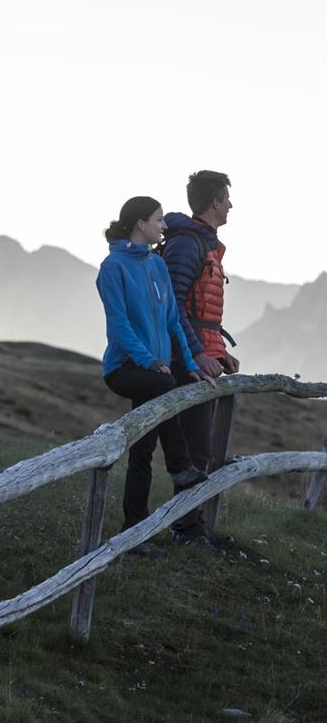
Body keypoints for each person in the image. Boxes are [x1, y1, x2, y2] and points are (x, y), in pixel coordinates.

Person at [96, 196, 216, 558]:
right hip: (125, 369)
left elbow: (173, 321)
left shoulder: (156, 265)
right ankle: (180, 467)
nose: (164, 226)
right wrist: (149, 361)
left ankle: (132, 535)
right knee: (165, 387)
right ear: (140, 224)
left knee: (143, 452)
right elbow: (118, 325)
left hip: (157, 368)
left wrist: (192, 364)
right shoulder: (112, 267)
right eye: (159, 220)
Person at [162, 170, 240, 555]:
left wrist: (219, 350)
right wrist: (195, 353)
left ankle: (196, 528)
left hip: (203, 355)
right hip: (186, 360)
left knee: (201, 449)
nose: (231, 205)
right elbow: (174, 305)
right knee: (195, 450)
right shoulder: (187, 245)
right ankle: (187, 531)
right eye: (227, 198)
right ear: (214, 202)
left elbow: (200, 308)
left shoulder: (205, 245)